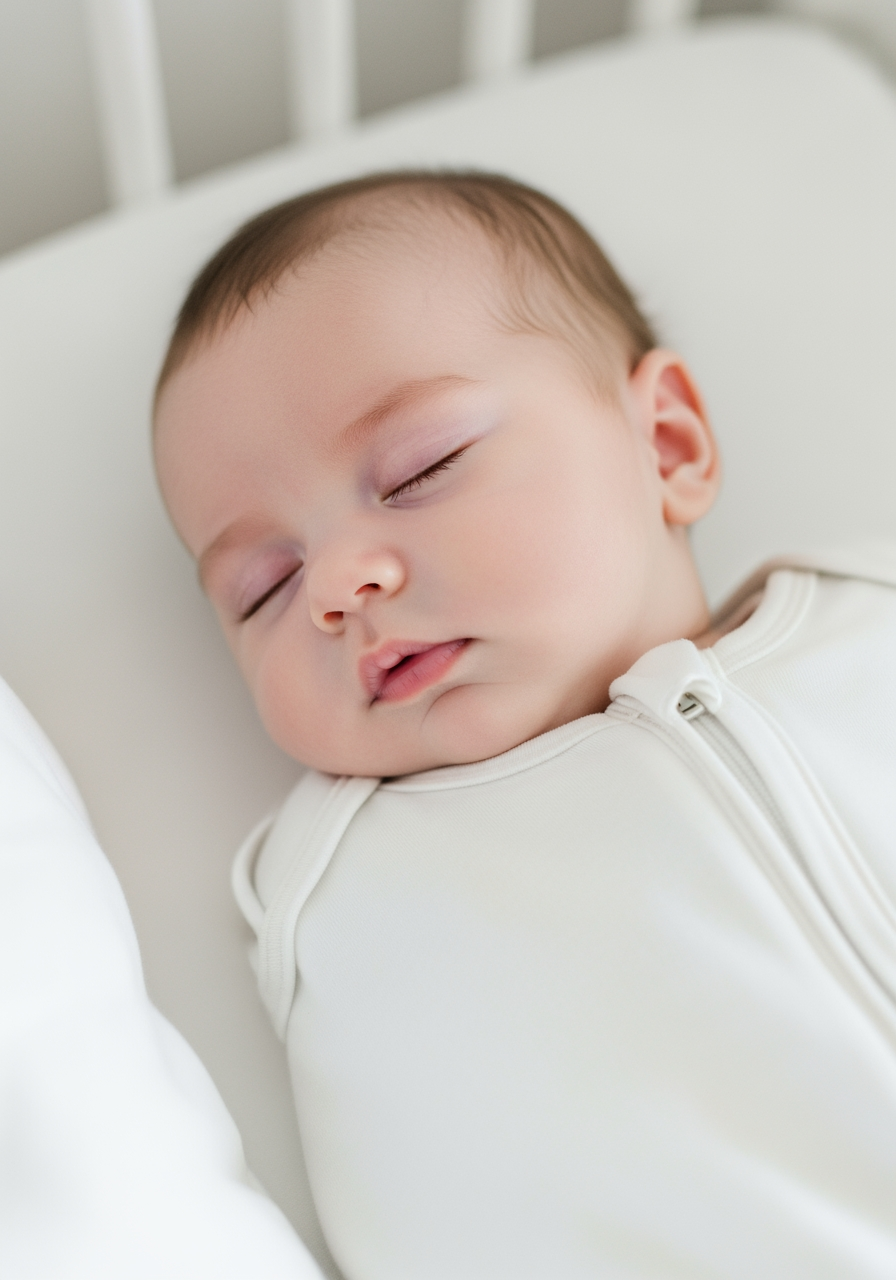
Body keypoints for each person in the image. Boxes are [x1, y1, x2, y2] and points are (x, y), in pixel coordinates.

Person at [153, 171, 896, 1278]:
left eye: (418, 470)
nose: (334, 587)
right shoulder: (333, 883)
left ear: (666, 447)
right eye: (263, 584)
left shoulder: (860, 626)